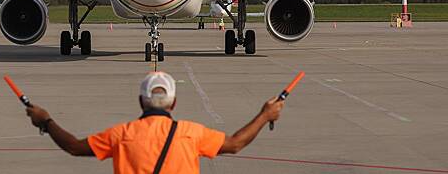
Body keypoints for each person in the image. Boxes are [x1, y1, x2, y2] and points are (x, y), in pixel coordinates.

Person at [26, 71, 284, 173]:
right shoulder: (190, 133)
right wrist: (265, 114)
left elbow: (73, 146)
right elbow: (235, 144)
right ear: (173, 104)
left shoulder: (122, 134)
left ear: (141, 101)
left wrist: (45, 120)